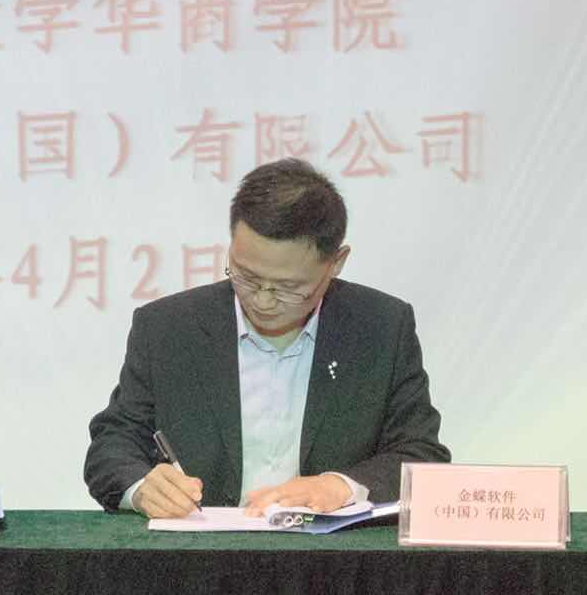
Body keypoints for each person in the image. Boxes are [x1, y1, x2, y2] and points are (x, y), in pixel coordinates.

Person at [84, 157, 448, 518]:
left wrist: (341, 486)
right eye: (246, 276)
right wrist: (142, 486)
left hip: (328, 552)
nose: (263, 301)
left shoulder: (381, 328)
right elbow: (113, 442)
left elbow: (421, 455)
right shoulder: (168, 327)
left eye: (288, 288)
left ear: (336, 263)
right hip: (199, 548)